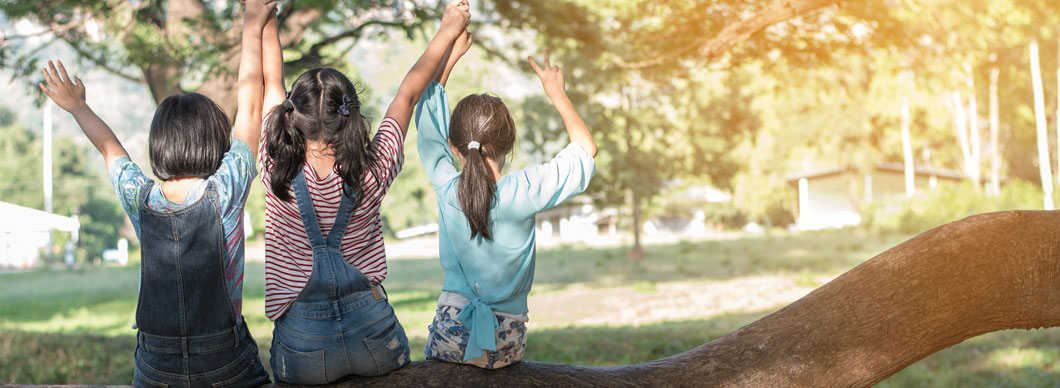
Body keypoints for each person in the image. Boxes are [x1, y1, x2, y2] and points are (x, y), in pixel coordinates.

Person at [38, 1, 277, 387]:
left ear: (159, 146)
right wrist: (252, 26)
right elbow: (250, 107)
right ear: (215, 143)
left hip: (156, 366)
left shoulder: (140, 199)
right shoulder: (227, 188)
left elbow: (108, 147)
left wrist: (78, 107)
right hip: (224, 362)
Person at [257, 0, 471, 383]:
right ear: (350, 113)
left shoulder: (275, 165)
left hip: (302, 348)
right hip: (374, 338)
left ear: (290, 115)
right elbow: (407, 93)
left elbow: (271, 79)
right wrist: (448, 28)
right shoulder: (374, 168)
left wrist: (265, 15)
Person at [415, 44, 598, 368]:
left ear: (455, 148)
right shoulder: (525, 190)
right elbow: (586, 150)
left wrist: (449, 58)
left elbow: (428, 125)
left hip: (452, 336)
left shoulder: (447, 188)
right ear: (508, 142)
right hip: (508, 343)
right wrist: (556, 93)